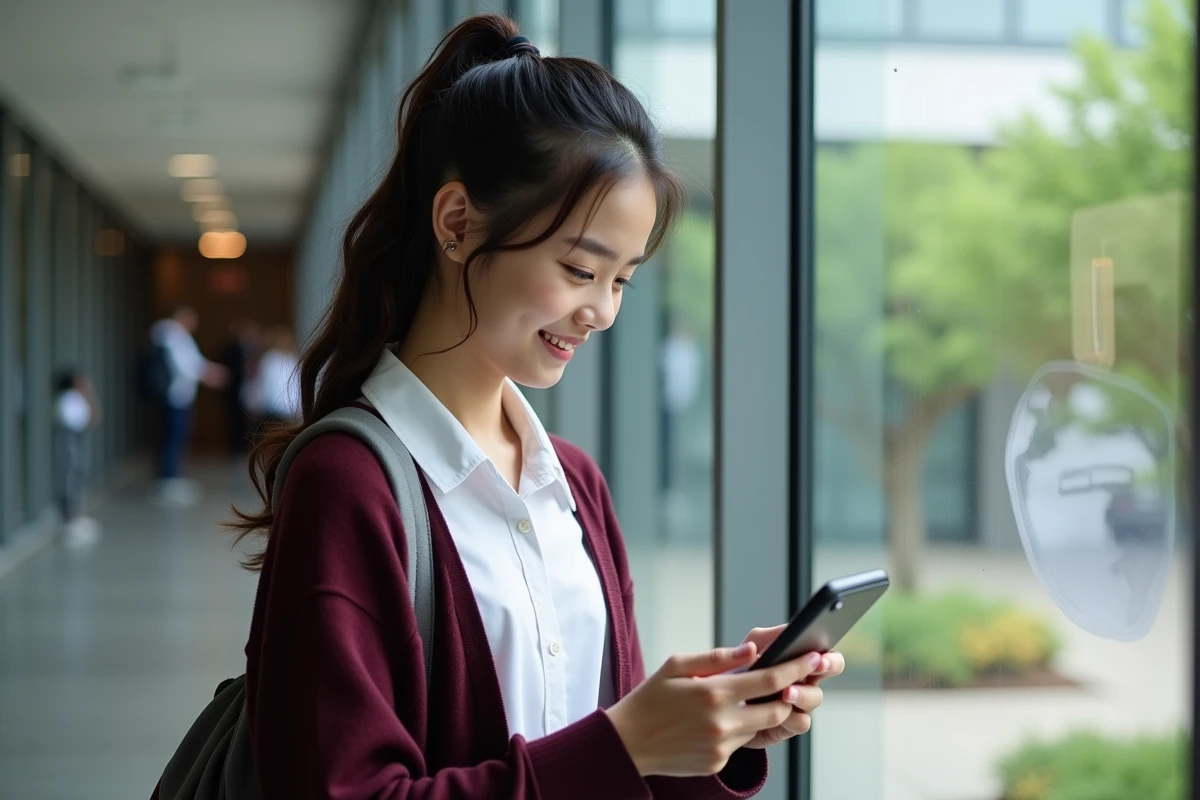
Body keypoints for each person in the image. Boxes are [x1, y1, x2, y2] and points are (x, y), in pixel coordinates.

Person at [223, 15, 845, 799]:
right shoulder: (349, 485)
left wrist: (711, 728)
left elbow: (601, 766)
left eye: (621, 280)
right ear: (457, 223)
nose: (603, 312)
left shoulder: (574, 484)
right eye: (581, 269)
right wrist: (623, 744)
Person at [148, 306, 228, 506]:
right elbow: (186, 365)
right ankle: (168, 480)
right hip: (175, 396)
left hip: (178, 396)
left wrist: (209, 371)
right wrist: (208, 374)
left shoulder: (174, 337)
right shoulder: (173, 336)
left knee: (176, 435)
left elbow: (194, 362)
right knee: (173, 436)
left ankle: (171, 477)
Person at [53, 369, 101, 549]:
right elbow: (78, 421)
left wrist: (89, 394)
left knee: (79, 474)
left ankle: (74, 516)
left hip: (77, 438)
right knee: (70, 475)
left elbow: (93, 418)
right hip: (70, 439)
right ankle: (67, 520)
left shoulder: (77, 398)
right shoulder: (67, 399)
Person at [246, 325, 301, 434]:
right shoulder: (291, 360)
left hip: (272, 406)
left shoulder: (270, 359)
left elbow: (262, 384)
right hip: (286, 407)